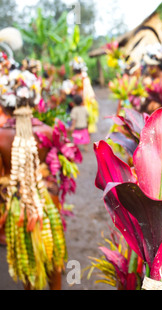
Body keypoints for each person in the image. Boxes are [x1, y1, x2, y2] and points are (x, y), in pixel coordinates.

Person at [0, 67, 67, 290]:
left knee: (28, 260)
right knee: (53, 256)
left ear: (5, 104)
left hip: (17, 204)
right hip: (47, 198)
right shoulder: (48, 131)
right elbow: (59, 170)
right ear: (35, 101)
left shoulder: (1, 135)